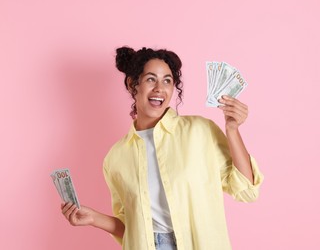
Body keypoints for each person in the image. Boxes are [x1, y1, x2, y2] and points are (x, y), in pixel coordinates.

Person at [61, 46, 264, 250]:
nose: (159, 88)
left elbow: (247, 190)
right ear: (133, 85)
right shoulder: (116, 158)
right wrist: (94, 218)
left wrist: (232, 129)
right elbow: (133, 229)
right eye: (151, 79)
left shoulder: (200, 131)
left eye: (167, 80)